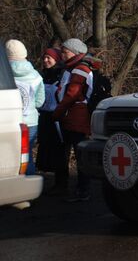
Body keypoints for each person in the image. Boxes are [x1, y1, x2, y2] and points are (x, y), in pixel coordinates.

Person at [52, 38, 93, 202]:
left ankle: (83, 191)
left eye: (65, 51)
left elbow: (72, 94)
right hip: (70, 116)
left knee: (80, 154)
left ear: (75, 52)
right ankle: (66, 187)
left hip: (77, 116)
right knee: (66, 152)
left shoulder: (80, 69)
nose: (62, 54)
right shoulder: (71, 68)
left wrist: (58, 112)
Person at [5, 39, 45, 175]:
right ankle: (28, 188)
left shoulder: (3, 75)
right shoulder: (36, 76)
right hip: (30, 122)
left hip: (7, 121)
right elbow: (40, 102)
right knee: (26, 155)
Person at [36, 47, 66, 194]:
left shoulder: (62, 76)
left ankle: (62, 183)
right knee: (46, 150)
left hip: (57, 119)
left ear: (56, 59)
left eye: (49, 58)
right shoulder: (41, 76)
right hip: (44, 117)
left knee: (59, 151)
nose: (45, 60)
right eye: (44, 58)